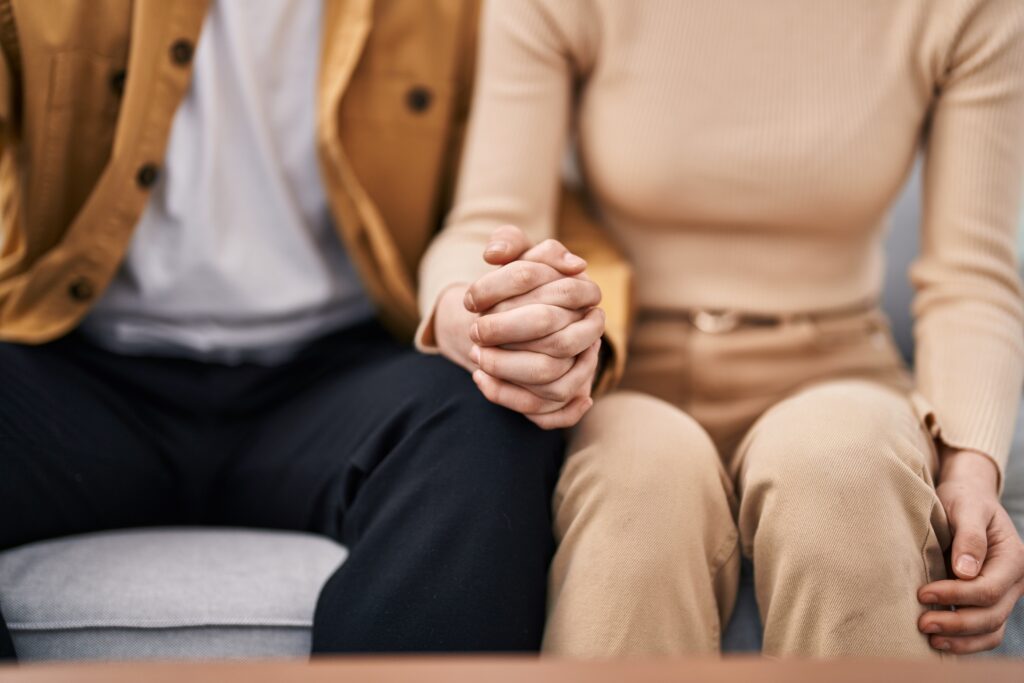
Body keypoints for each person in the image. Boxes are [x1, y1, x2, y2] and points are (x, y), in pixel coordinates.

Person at [421, 0, 1024, 657]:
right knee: (640, 488)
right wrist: (472, 315)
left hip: (843, 369)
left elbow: (971, 272)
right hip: (625, 378)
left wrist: (972, 468)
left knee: (843, 469)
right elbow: (489, 221)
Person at [0, 0, 584, 658]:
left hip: (336, 373)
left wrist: (493, 311)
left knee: (485, 415)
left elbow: (508, 203)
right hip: (73, 363)